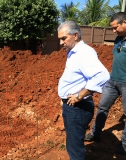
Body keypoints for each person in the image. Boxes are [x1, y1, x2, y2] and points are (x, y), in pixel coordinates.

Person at [57, 20, 110, 160]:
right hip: (73, 106)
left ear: (75, 35)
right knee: (73, 143)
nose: (61, 43)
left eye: (64, 38)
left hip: (78, 107)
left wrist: (78, 96)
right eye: (60, 39)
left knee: (74, 148)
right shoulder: (73, 51)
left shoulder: (83, 53)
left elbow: (102, 75)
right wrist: (64, 98)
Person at [84, 12, 126, 155]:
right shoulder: (118, 39)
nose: (113, 31)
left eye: (115, 27)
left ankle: (125, 144)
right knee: (102, 107)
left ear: (125, 22)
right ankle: (95, 134)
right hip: (112, 81)